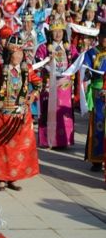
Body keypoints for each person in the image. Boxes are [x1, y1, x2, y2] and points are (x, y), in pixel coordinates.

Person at [0, 36, 42, 191]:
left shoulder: (26, 70)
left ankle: (13, 177)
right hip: (2, 115)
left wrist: (32, 96)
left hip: (20, 116)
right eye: (15, 53)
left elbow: (39, 84)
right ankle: (1, 178)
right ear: (9, 54)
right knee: (1, 149)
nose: (18, 56)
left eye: (20, 53)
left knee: (18, 149)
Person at [35, 19, 77, 148]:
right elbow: (38, 63)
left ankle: (63, 140)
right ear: (50, 33)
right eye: (55, 31)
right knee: (48, 110)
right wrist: (47, 63)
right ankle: (46, 140)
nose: (58, 34)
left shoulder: (70, 47)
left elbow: (77, 62)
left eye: (60, 31)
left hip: (64, 84)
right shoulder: (43, 47)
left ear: (64, 32)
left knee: (63, 113)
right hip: (49, 82)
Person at [83, 25, 106, 171]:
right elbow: (85, 69)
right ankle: (96, 159)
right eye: (103, 36)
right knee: (97, 124)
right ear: (99, 37)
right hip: (97, 92)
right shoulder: (91, 52)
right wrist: (88, 74)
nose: (105, 39)